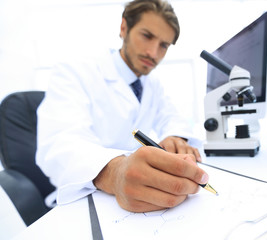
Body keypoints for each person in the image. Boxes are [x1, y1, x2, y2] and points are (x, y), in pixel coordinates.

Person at [36, 0, 208, 213]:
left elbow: (172, 117)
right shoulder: (74, 72)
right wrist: (114, 173)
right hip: (85, 198)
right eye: (147, 36)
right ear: (124, 28)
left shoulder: (152, 84)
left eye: (163, 45)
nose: (153, 53)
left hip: (139, 197)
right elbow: (58, 144)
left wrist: (176, 138)